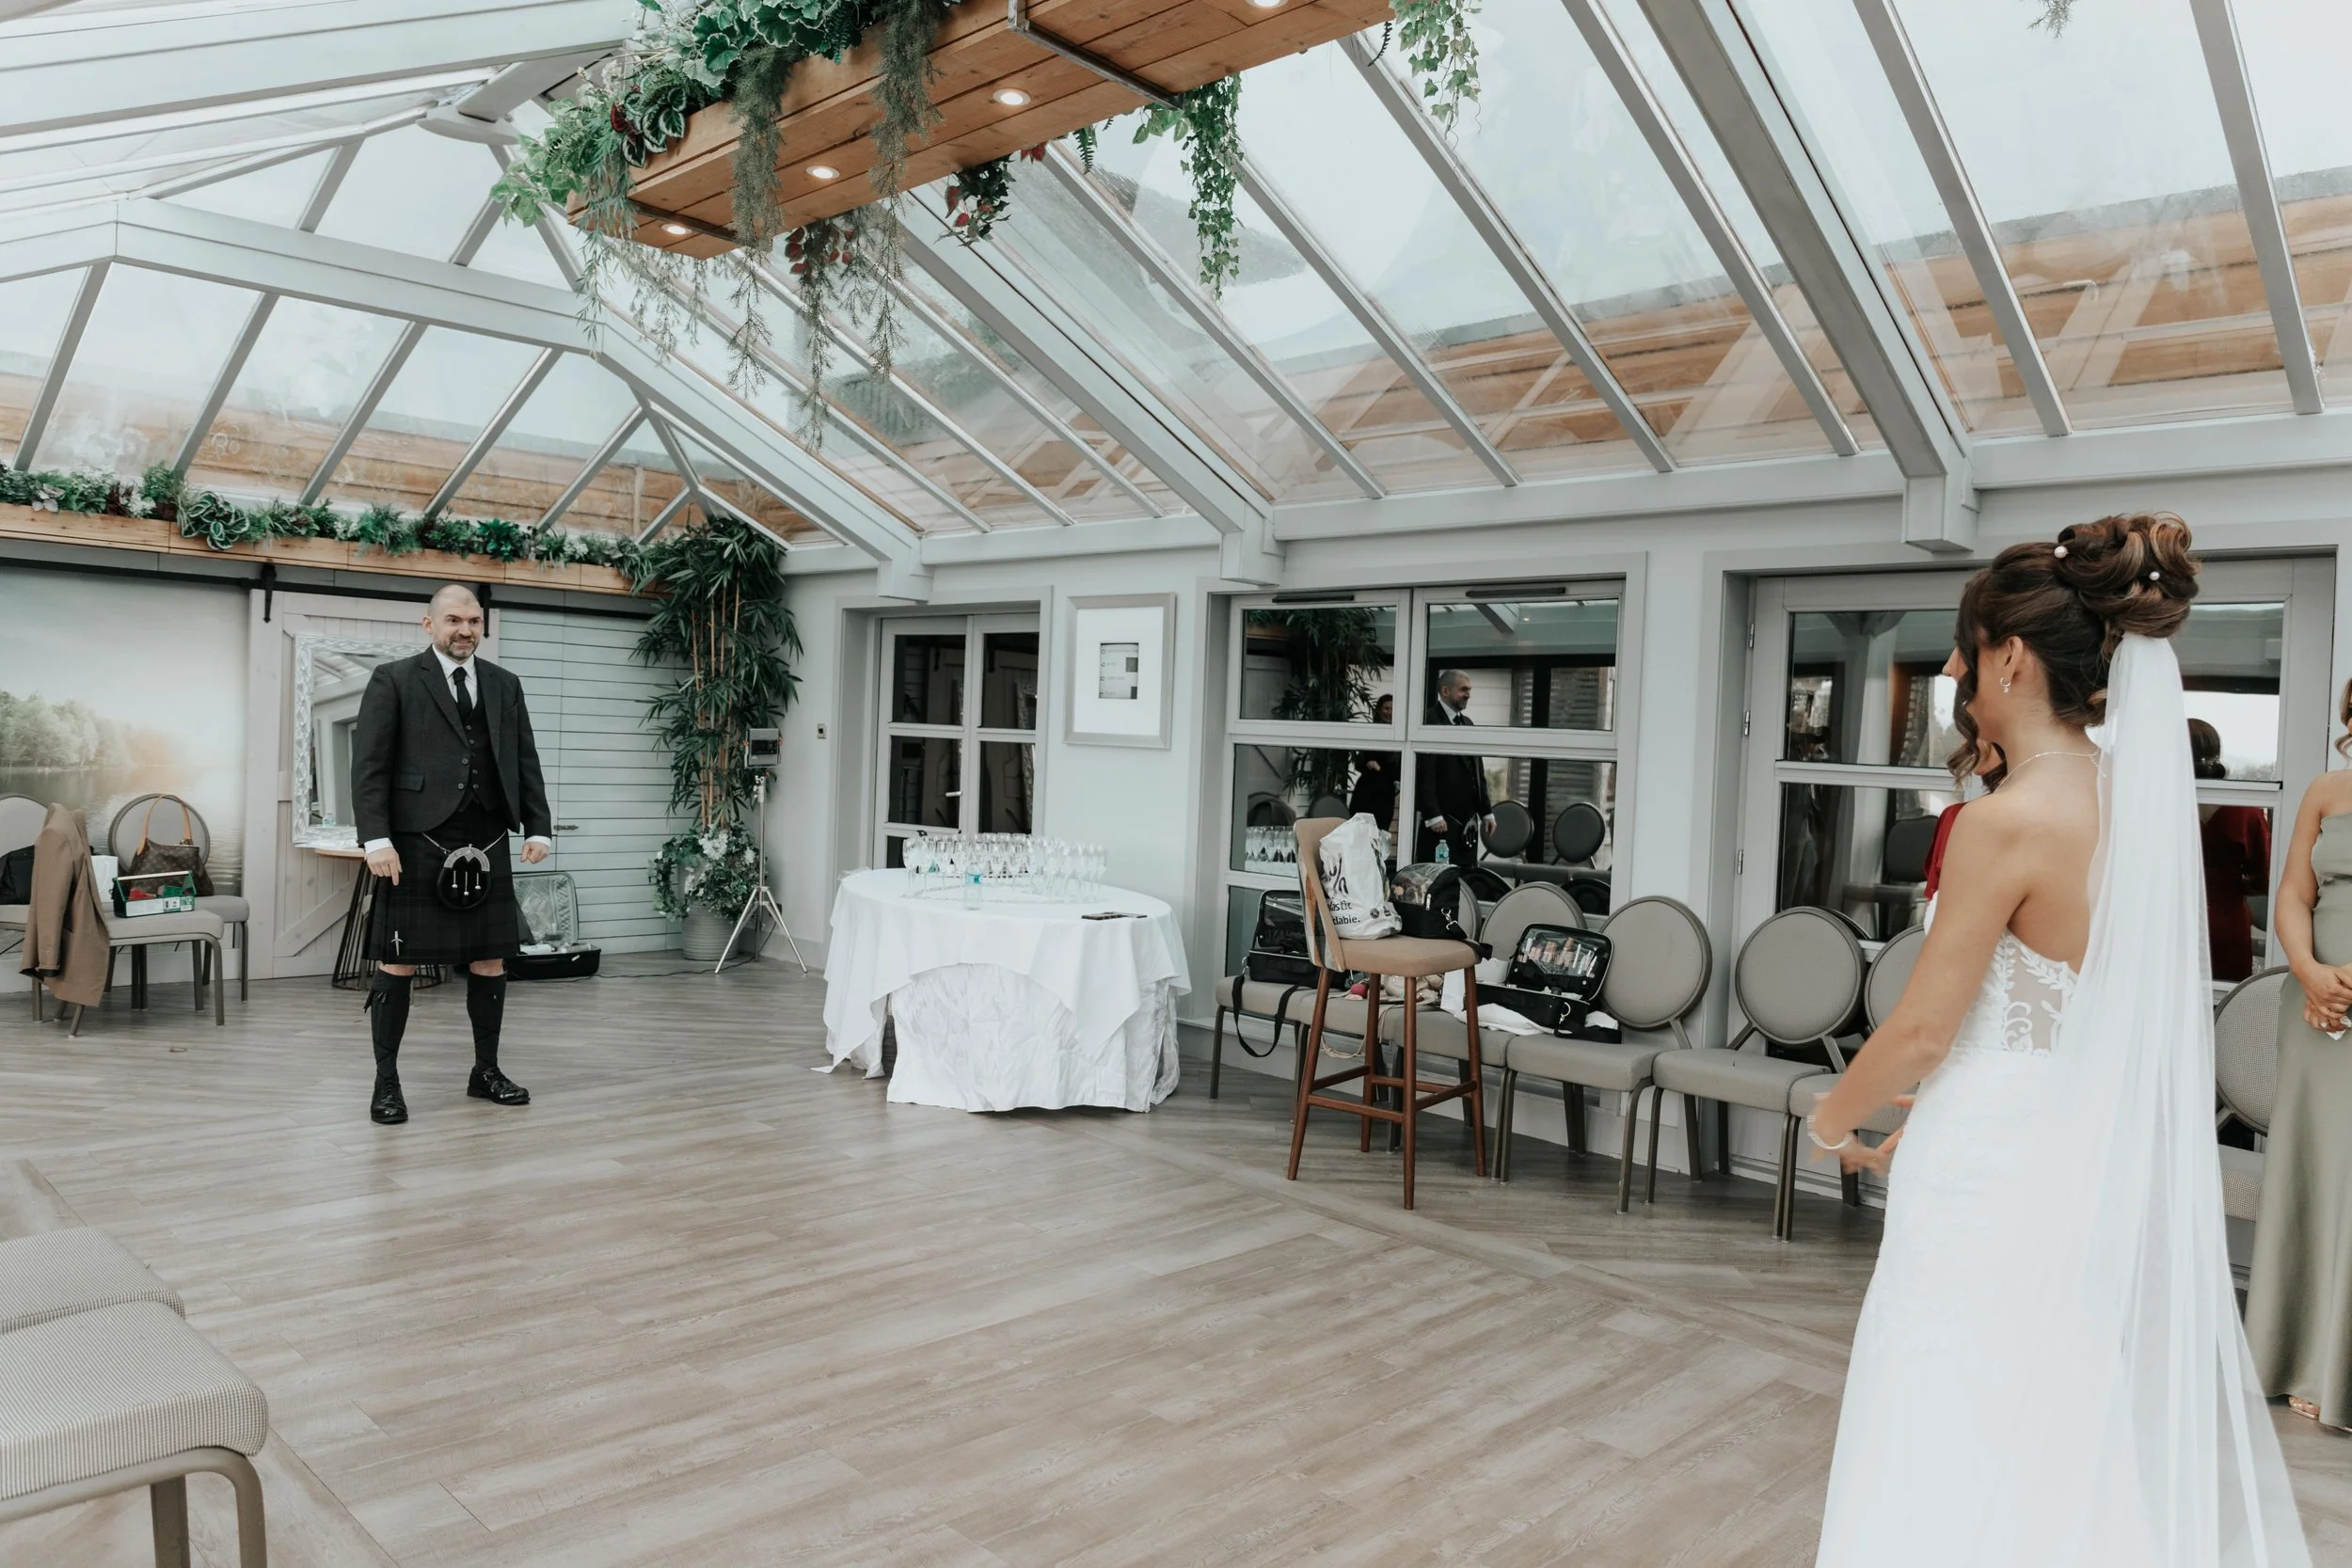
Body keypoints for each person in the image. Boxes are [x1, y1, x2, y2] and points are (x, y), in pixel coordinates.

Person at [1809, 515, 2309, 1566]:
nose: (1954, 670)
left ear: (2011, 657)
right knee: (2055, 1402)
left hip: (1990, 1163)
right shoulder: (2134, 804)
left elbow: (1923, 1027)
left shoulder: (2007, 820)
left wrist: (1830, 1115)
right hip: (2082, 1150)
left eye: (1965, 648)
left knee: (1949, 1401)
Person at [351, 583, 551, 1126]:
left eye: (474, 621)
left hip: (487, 837)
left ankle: (486, 1071)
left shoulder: (505, 684)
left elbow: (525, 759)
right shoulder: (394, 679)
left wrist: (539, 826)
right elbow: (369, 765)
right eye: (454, 620)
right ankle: (386, 1082)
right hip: (416, 838)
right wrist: (376, 838)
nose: (465, 630)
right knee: (399, 960)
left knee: (490, 959)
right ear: (430, 624)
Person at [2245, 681, 2352, 1428]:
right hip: (2313, 1008)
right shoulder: (2325, 789)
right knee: (2313, 1167)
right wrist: (2311, 973)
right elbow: (2291, 893)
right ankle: (2300, 1355)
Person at [2189, 718, 2271, 982]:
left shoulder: (2156, 807)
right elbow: (2264, 878)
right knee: (2228, 1003)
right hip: (2227, 920)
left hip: (2171, 920)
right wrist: (2230, 883)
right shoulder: (2246, 809)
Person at [1415, 669, 1493, 865]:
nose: (1468, 695)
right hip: (1441, 822)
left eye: (1469, 690)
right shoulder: (1428, 721)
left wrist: (1486, 811)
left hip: (1467, 824)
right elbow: (1425, 772)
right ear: (1445, 691)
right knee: (1438, 876)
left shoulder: (1468, 723)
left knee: (1466, 876)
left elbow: (1477, 771)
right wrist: (1432, 814)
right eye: (1463, 689)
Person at [1346, 694, 1399, 832]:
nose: (1389, 712)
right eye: (1386, 708)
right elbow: (1358, 762)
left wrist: (1380, 769)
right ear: (1379, 710)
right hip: (1365, 791)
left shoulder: (1400, 735)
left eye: (1393, 709)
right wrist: (1367, 764)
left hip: (1385, 794)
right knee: (1357, 831)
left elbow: (1398, 771)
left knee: (1379, 832)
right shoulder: (1372, 731)